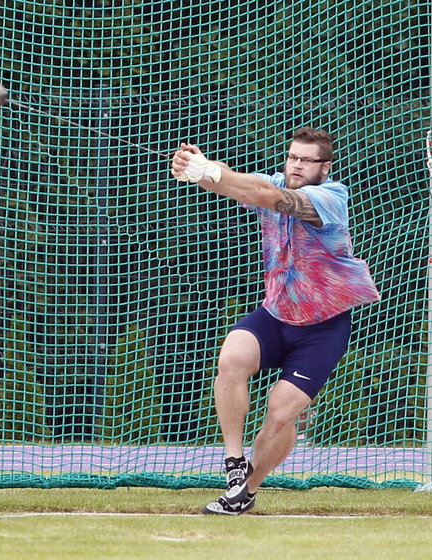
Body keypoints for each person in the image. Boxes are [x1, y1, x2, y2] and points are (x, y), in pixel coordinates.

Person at [171, 127, 381, 515]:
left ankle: (245, 491)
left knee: (282, 413)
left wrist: (210, 172)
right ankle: (234, 462)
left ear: (325, 167)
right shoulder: (275, 180)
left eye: (306, 160)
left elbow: (268, 197)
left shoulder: (330, 197)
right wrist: (198, 169)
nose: (297, 165)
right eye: (292, 157)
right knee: (231, 359)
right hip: (275, 314)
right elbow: (239, 185)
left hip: (323, 326)